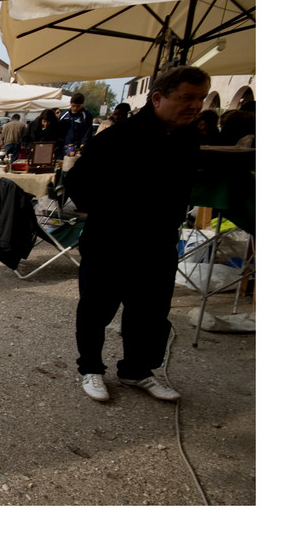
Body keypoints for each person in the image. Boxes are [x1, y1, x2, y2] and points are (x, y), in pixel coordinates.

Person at [65, 65, 210, 403]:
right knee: (97, 308)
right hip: (111, 240)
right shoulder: (117, 137)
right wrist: (119, 209)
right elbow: (77, 185)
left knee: (150, 310)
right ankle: (90, 368)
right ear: (158, 98)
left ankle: (136, 370)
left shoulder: (188, 139)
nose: (195, 105)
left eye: (200, 98)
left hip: (158, 242)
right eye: (187, 97)